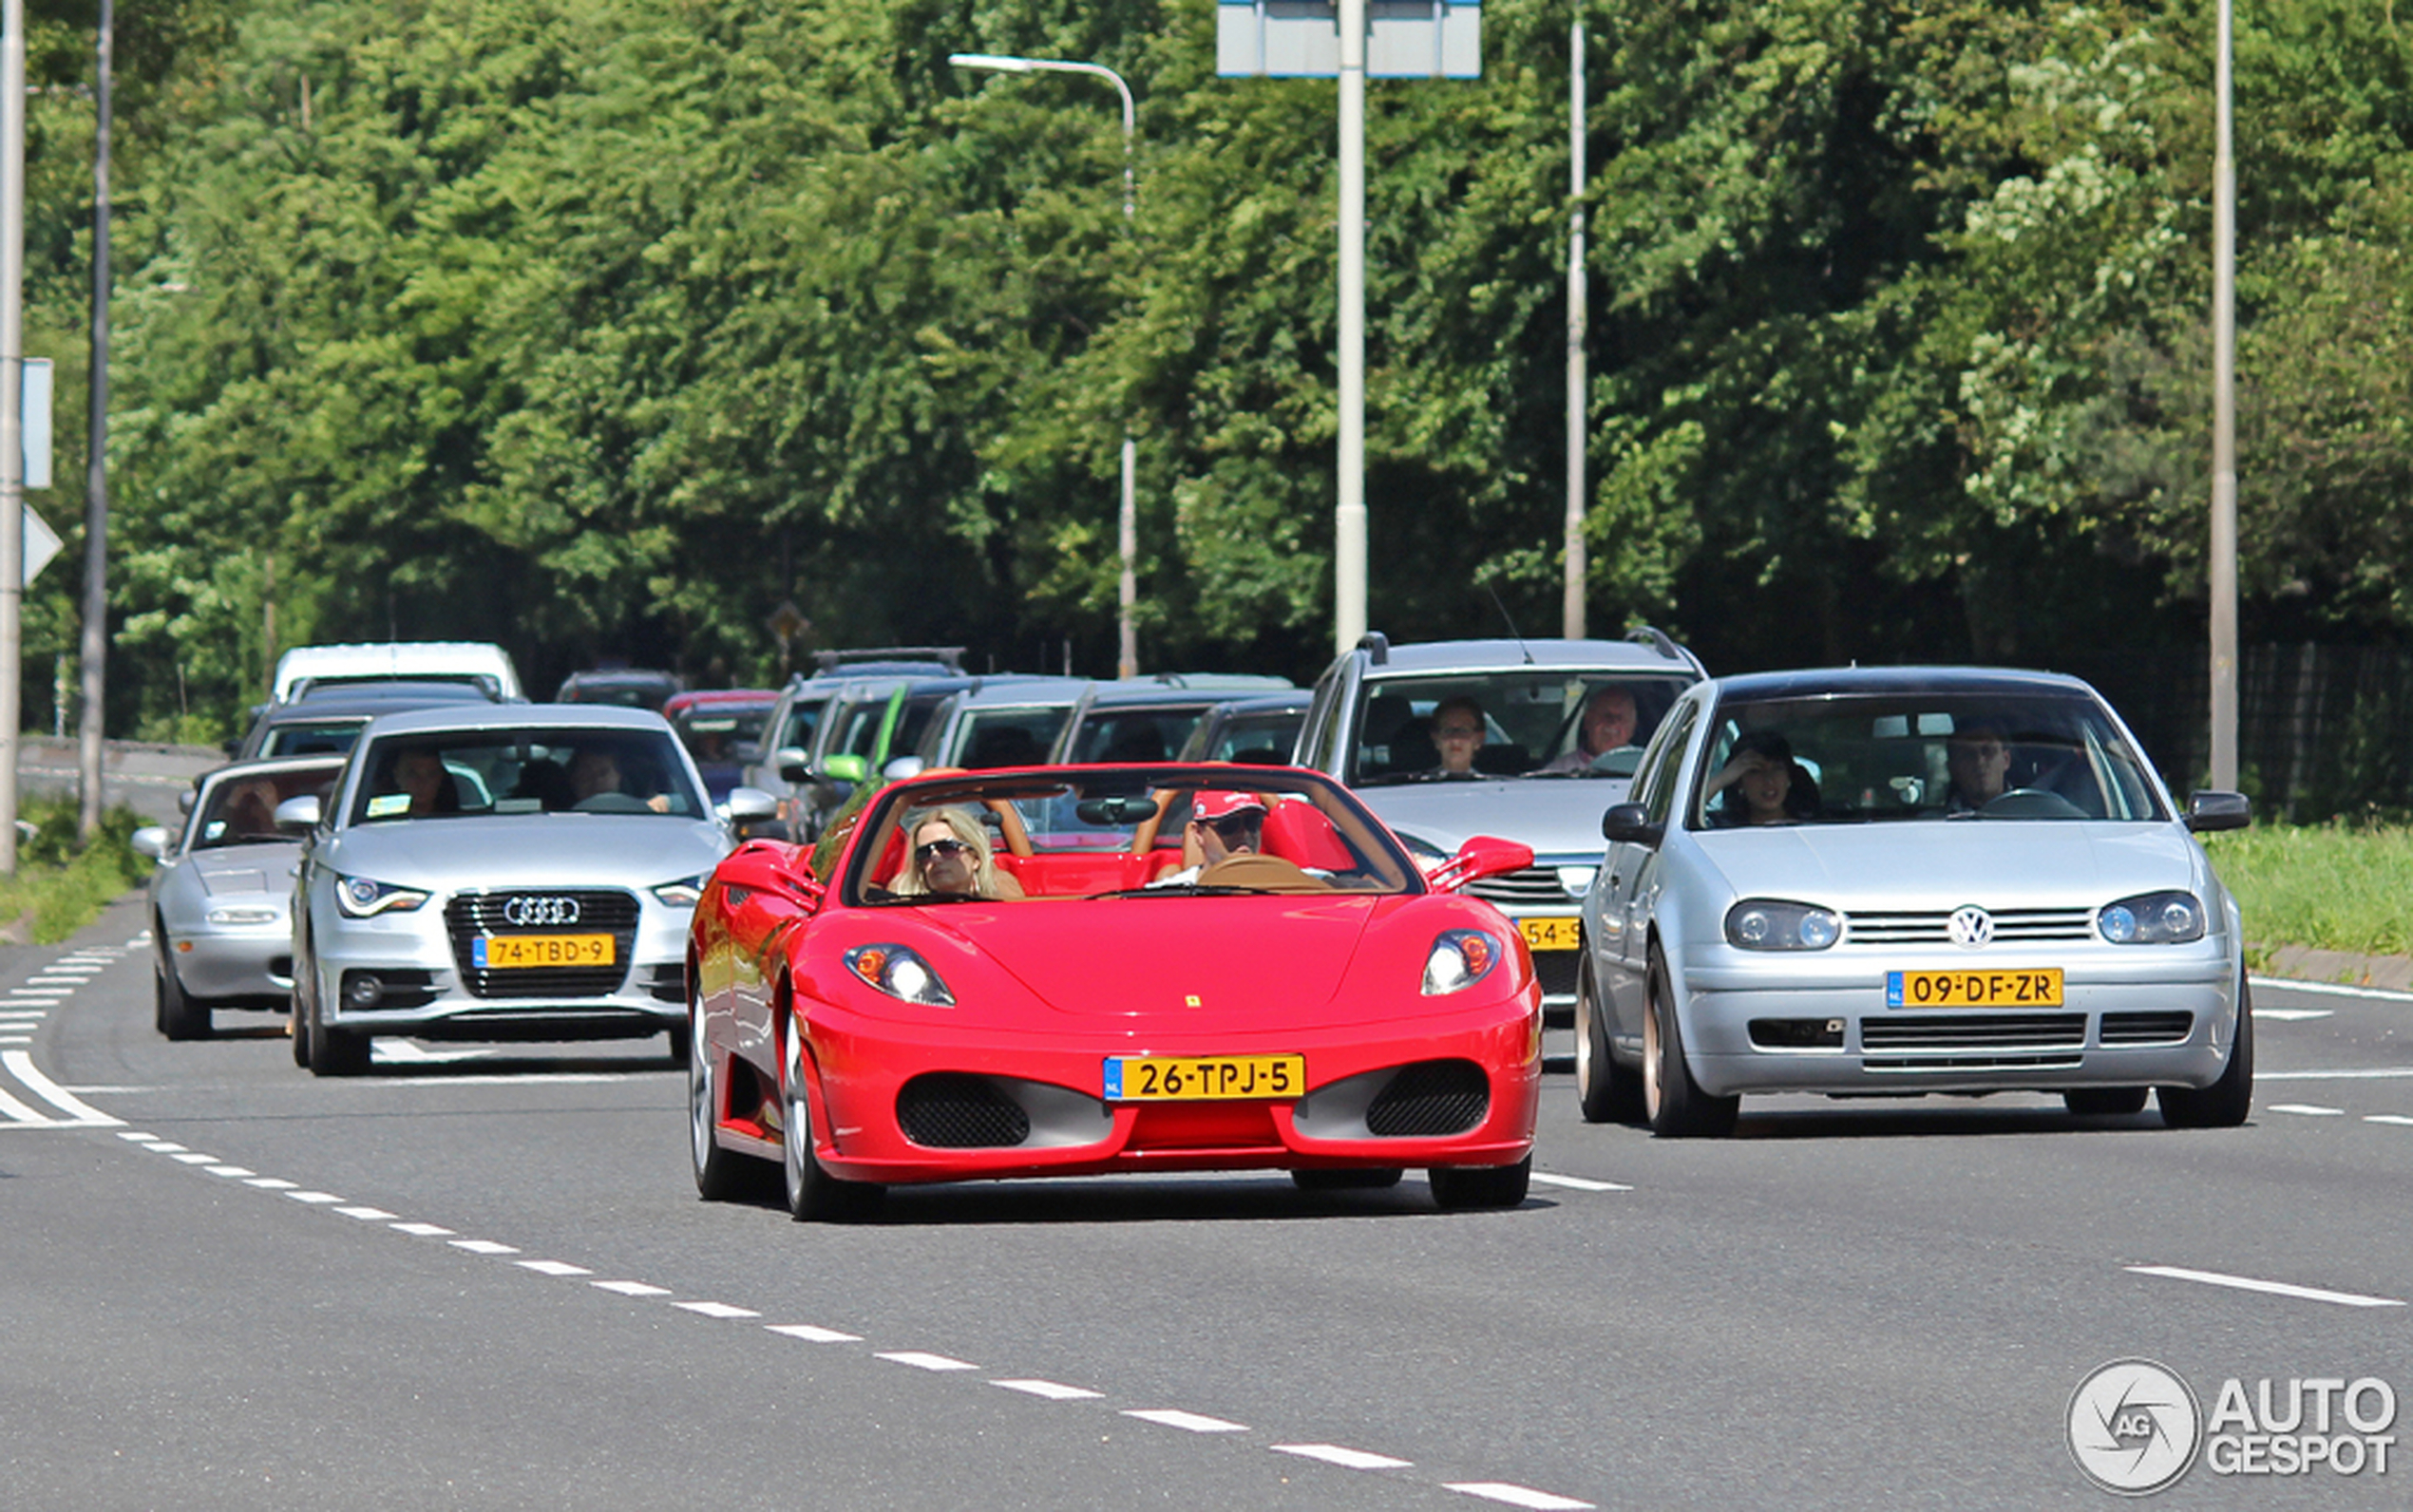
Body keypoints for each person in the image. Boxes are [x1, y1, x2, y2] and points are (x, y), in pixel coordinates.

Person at [1152, 791, 1328, 891]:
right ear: (1198, 833)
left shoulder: (1303, 881)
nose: (1244, 834)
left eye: (1252, 823)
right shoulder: (1170, 893)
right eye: (1229, 824)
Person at [890, 806, 1025, 900]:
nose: (935, 857)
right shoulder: (900, 894)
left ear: (976, 858)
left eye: (947, 848)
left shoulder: (1003, 891)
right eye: (924, 852)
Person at [1703, 729, 1818, 825]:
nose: (1769, 780)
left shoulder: (1814, 827)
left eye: (1777, 769)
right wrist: (1723, 778)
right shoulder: (1721, 827)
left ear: (1789, 777)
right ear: (1739, 781)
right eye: (1755, 771)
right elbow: (1687, 810)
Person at [1540, 686, 1640, 774]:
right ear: (1588, 721)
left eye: (1620, 718)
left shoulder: (1646, 771)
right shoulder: (1557, 773)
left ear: (1633, 727)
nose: (1613, 723)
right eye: (1606, 715)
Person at [570, 745, 671, 812]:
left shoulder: (649, 810)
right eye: (586, 775)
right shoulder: (555, 820)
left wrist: (668, 801)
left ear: (618, 775)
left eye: (603, 773)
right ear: (573, 781)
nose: (597, 781)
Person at [1944, 720, 2012, 812]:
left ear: (2006, 760)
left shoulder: (2030, 814)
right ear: (1952, 769)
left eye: (1988, 751)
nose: (1979, 762)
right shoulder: (1933, 823)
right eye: (1968, 755)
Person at [1427, 696, 1487, 778]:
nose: (1455, 739)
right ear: (1436, 739)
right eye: (1448, 731)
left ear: (1479, 739)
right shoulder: (1417, 788)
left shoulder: (1495, 787)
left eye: (1464, 731)